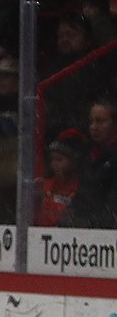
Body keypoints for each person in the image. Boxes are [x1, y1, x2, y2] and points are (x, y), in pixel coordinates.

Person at [67, 98, 117, 229]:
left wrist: (92, 222)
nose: (94, 127)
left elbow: (112, 202)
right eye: (91, 121)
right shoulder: (88, 154)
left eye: (100, 121)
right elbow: (83, 193)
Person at [37, 128, 85, 227]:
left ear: (74, 162)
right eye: (52, 159)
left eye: (59, 160)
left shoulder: (80, 188)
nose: (54, 164)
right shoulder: (46, 185)